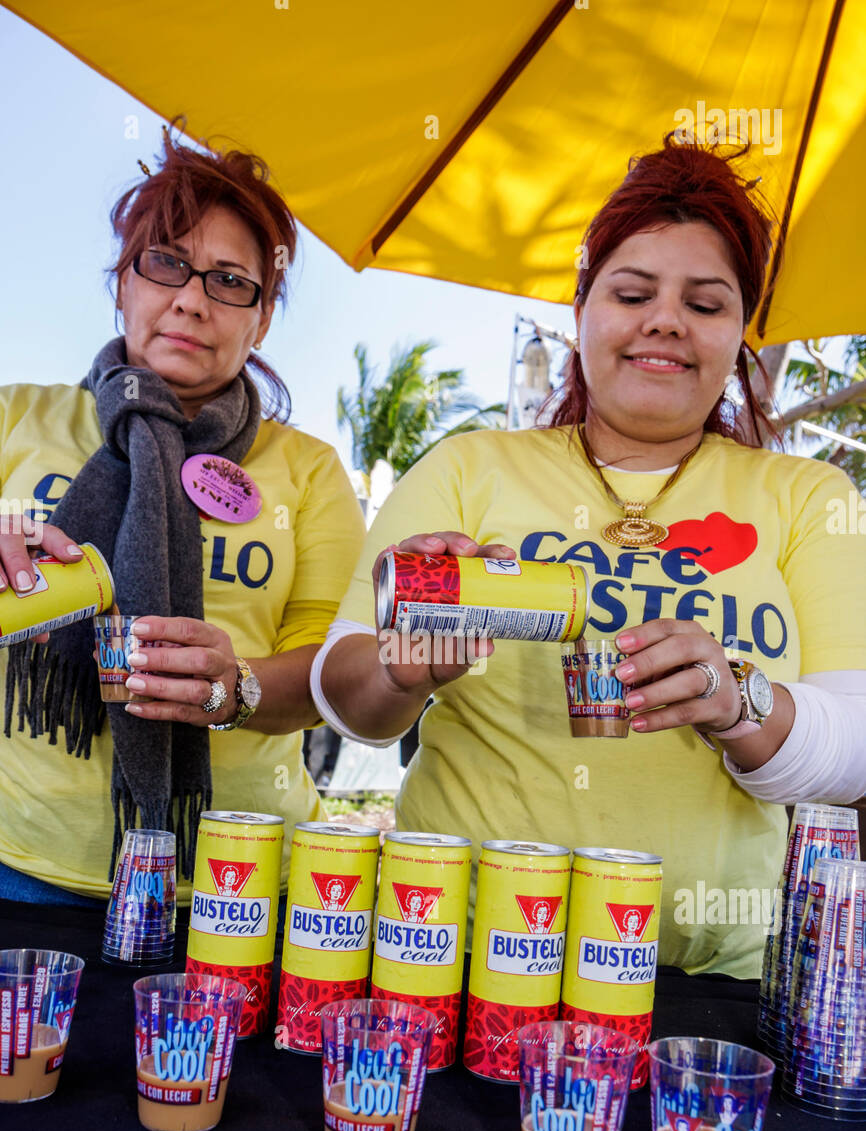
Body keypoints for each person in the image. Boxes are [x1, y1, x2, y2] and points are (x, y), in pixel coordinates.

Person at [314, 135, 866, 979]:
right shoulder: (470, 467)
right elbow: (342, 694)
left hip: (704, 981)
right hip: (454, 950)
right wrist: (403, 670)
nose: (665, 321)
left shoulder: (808, 497)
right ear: (580, 311)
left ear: (740, 334)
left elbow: (853, 748)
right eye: (633, 292)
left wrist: (734, 700)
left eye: (707, 304)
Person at [0, 126, 364, 904]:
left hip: (238, 879)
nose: (192, 300)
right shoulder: (16, 418)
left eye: (231, 281)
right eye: (166, 263)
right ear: (122, 284)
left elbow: (335, 674)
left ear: (261, 320)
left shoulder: (309, 470)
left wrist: (237, 687)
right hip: (18, 865)